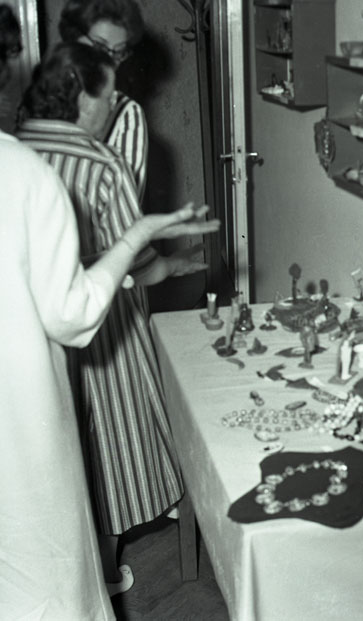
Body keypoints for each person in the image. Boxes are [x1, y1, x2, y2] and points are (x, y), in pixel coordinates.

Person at [0, 5, 219, 617]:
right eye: (104, 52)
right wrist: (156, 258)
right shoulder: (68, 157)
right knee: (110, 442)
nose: (114, 71)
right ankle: (112, 551)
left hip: (47, 323)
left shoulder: (28, 133)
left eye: (121, 55)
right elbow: (111, 266)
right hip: (88, 314)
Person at [58, 0, 148, 199]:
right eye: (99, 46)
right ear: (72, 39)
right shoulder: (42, 95)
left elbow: (124, 204)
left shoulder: (125, 114)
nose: (109, 61)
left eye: (119, 52)